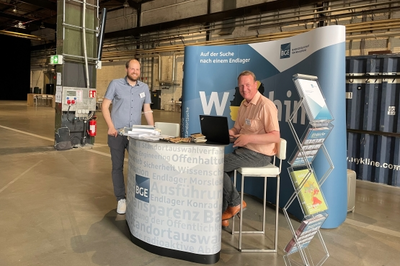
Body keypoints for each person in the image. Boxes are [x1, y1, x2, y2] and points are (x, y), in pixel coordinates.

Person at [222, 70, 280, 227]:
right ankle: (223, 213)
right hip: (244, 152)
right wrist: (225, 133)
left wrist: (249, 138)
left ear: (256, 85)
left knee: (217, 166)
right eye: (241, 86)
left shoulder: (266, 105)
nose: (244, 89)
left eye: (247, 85)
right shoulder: (243, 104)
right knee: (222, 169)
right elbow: (237, 129)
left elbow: (275, 136)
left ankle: (235, 203)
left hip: (260, 154)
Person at [102, 59, 154, 215]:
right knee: (117, 167)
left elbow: (147, 109)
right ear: (126, 69)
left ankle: (137, 196)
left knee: (139, 166)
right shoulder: (115, 84)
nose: (135, 72)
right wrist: (110, 127)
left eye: (137, 69)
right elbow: (104, 106)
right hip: (117, 133)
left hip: (135, 135)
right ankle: (121, 199)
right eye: (132, 69)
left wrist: (152, 129)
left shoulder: (144, 87)